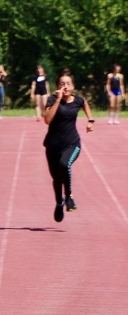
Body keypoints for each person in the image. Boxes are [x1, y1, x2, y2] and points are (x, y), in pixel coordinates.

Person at [43, 69, 94, 223]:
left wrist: (90, 120)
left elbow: (85, 105)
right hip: (52, 146)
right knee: (56, 179)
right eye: (62, 83)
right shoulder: (52, 100)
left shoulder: (78, 100)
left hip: (72, 143)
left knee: (65, 164)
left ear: (73, 86)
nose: (65, 86)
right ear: (57, 86)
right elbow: (47, 120)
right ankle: (59, 203)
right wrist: (58, 100)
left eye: (68, 84)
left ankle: (69, 196)